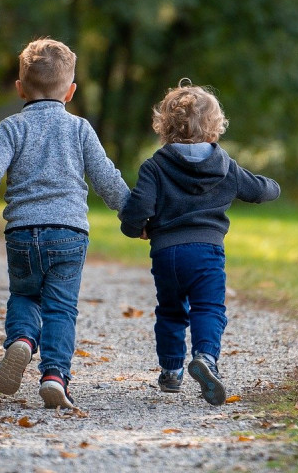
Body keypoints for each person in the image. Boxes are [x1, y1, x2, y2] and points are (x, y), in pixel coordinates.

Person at [0, 37, 129, 409]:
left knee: (24, 294)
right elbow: (105, 177)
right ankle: (54, 375)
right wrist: (133, 214)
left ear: (19, 89)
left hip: (21, 234)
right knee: (61, 308)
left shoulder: (11, 128)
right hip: (68, 234)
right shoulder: (80, 129)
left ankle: (23, 339)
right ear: (71, 91)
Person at [118, 82, 280, 406]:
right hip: (207, 254)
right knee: (208, 308)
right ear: (214, 128)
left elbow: (138, 208)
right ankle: (205, 357)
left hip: (166, 255)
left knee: (170, 311)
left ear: (164, 127)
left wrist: (135, 229)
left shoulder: (155, 166)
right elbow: (260, 190)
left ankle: (171, 371)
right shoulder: (224, 167)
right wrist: (274, 186)